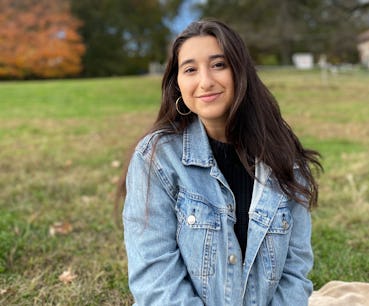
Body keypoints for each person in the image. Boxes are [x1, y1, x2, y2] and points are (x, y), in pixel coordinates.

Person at [121, 19, 322, 306]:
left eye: (218, 65)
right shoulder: (157, 157)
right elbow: (154, 276)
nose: (205, 81)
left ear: (240, 72)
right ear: (177, 84)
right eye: (190, 69)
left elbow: (295, 271)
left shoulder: (284, 158)